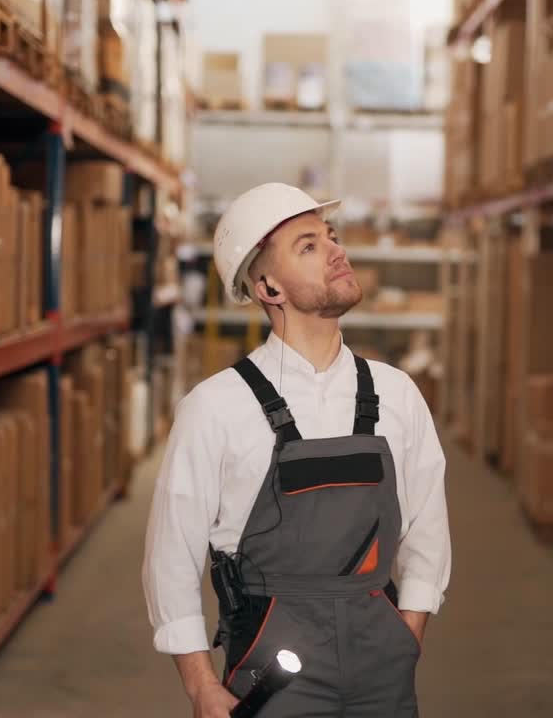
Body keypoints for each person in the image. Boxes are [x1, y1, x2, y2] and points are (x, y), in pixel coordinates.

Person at [142, 183, 452, 717]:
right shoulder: (215, 408)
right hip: (273, 671)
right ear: (268, 287)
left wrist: (409, 631)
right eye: (308, 246)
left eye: (331, 236)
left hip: (381, 661)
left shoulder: (396, 393)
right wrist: (200, 686)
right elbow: (171, 556)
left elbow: (427, 526)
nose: (336, 250)